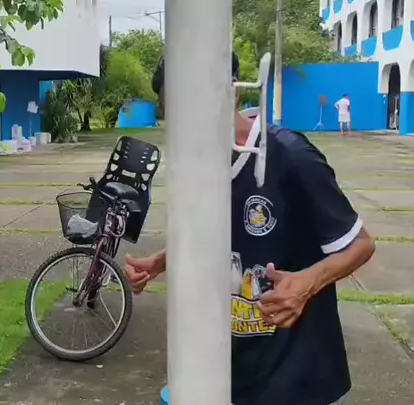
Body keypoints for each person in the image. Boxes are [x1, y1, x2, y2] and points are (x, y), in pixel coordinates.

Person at [133, 53, 376, 405]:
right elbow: (221, 237)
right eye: (175, 109)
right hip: (237, 369)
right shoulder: (199, 165)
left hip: (300, 375)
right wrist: (160, 261)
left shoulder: (291, 155)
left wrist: (307, 283)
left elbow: (361, 245)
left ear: (233, 90)